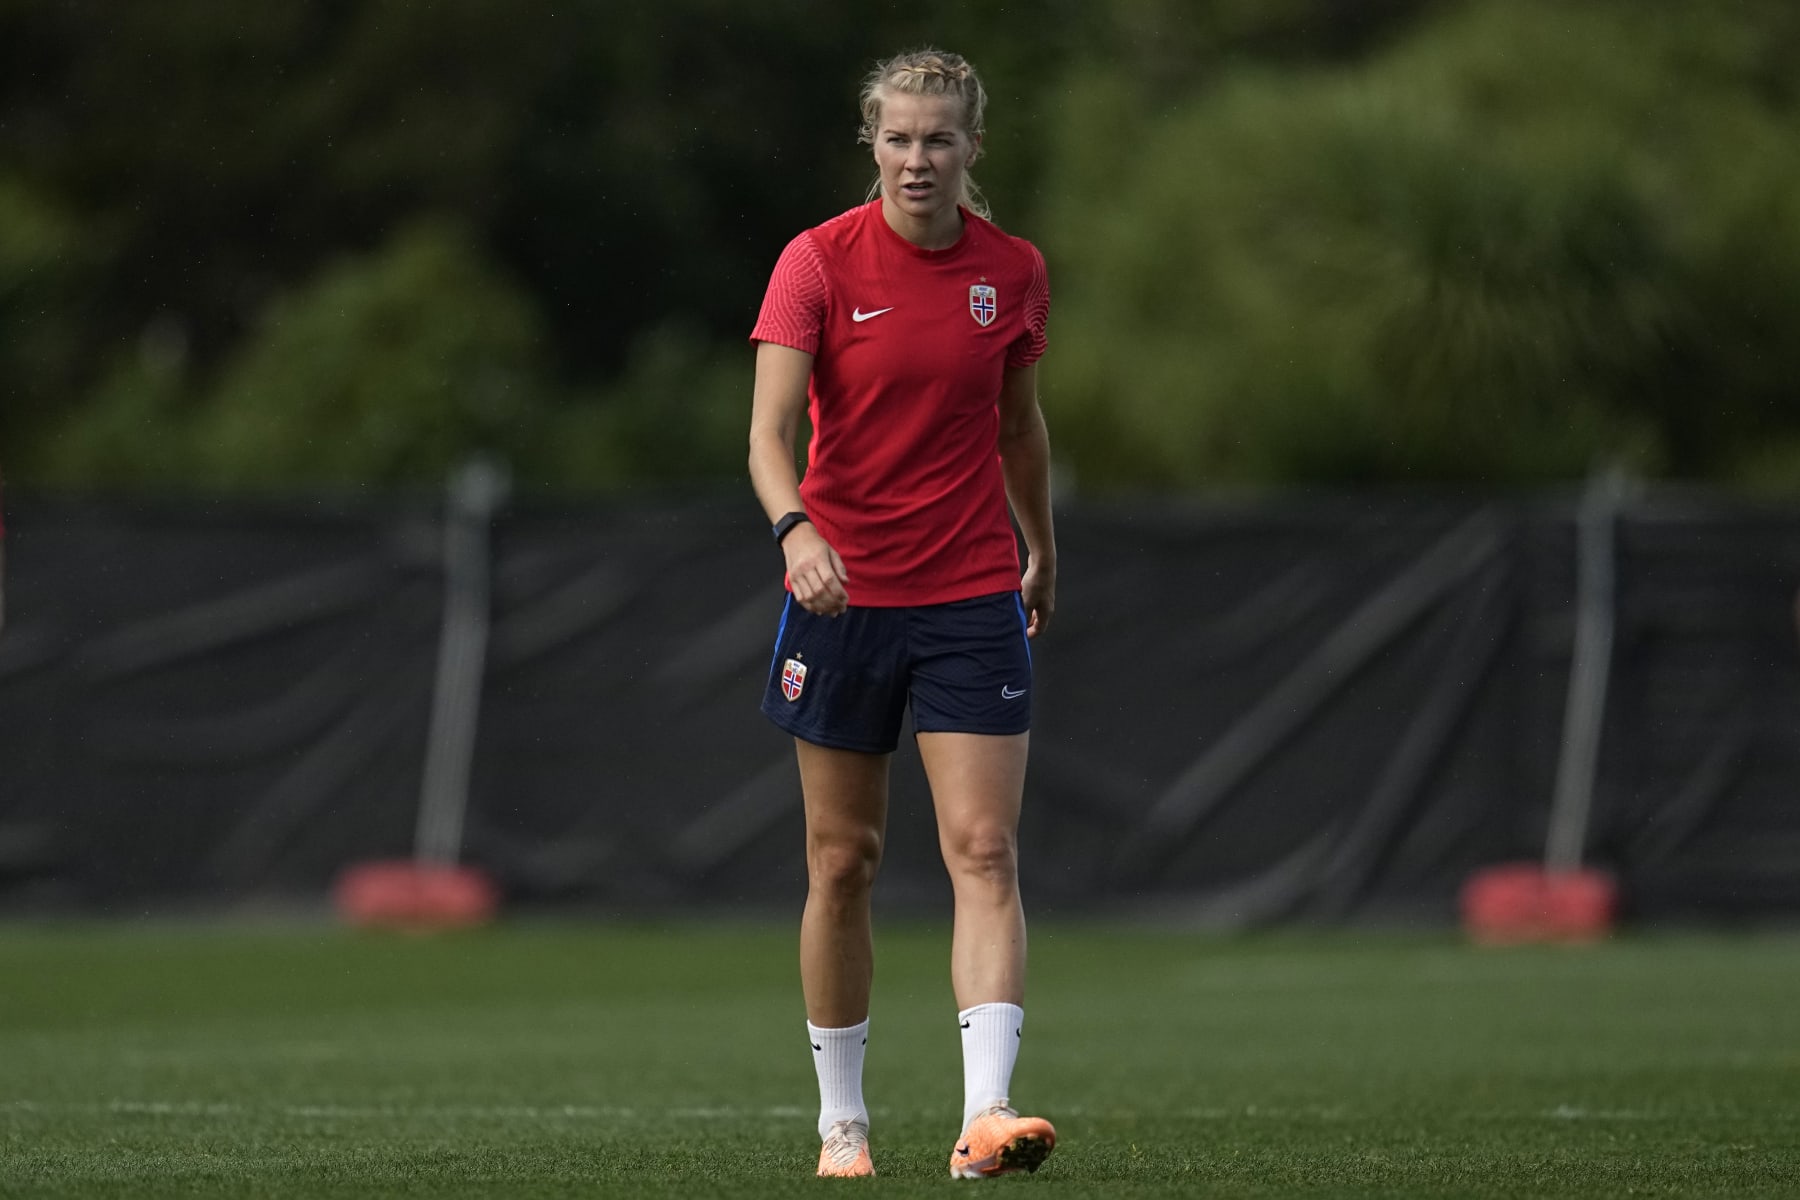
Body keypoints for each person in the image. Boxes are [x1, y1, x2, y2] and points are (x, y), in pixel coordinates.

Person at [746, 48, 1059, 1180]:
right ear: (871, 144)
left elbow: (1018, 429)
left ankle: (987, 1115)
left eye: (939, 139)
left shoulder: (1013, 272)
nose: (917, 158)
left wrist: (1042, 546)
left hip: (973, 591)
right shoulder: (817, 263)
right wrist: (798, 535)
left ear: (974, 147)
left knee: (985, 849)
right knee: (844, 860)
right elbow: (769, 439)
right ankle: (843, 1119)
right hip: (841, 597)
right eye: (898, 138)